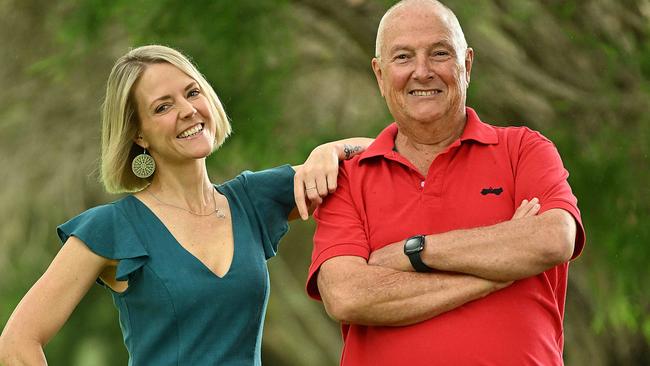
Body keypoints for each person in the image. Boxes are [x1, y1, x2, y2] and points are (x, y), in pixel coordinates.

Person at [0, 45, 372, 365]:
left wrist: (331, 151)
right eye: (163, 106)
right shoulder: (112, 228)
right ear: (138, 134)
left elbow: (384, 158)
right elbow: (16, 343)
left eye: (192, 93)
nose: (188, 110)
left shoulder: (252, 201)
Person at [306, 1, 586, 365]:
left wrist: (414, 252)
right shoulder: (347, 177)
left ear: (466, 64)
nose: (422, 72)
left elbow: (553, 238)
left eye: (439, 53)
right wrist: (495, 274)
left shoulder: (523, 149)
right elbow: (348, 295)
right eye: (403, 57)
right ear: (379, 74)